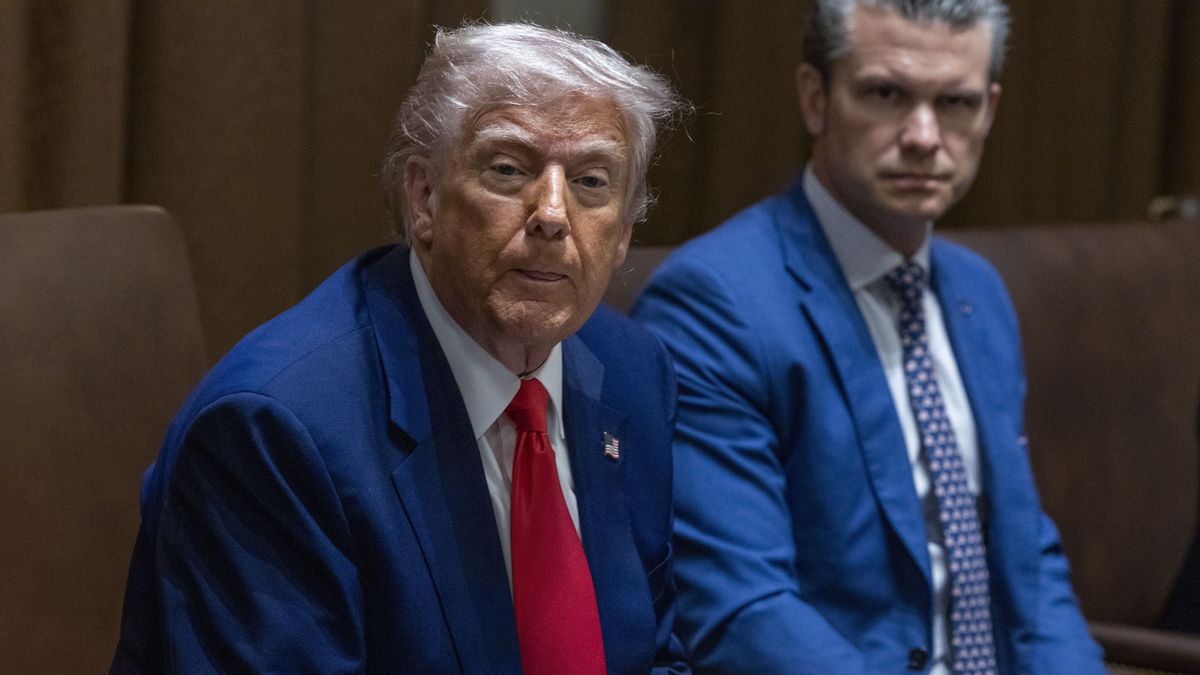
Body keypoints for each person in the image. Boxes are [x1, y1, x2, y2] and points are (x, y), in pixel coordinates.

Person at [111, 22, 689, 674]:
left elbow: (654, 656)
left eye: (590, 181)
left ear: (623, 233)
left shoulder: (635, 372)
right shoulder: (275, 430)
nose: (553, 214)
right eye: (507, 169)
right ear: (424, 198)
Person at [633, 1, 1106, 673]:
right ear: (815, 98)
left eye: (955, 102)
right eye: (886, 94)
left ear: (989, 111)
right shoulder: (717, 302)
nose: (923, 134)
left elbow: (1028, 563)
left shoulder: (980, 293)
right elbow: (742, 609)